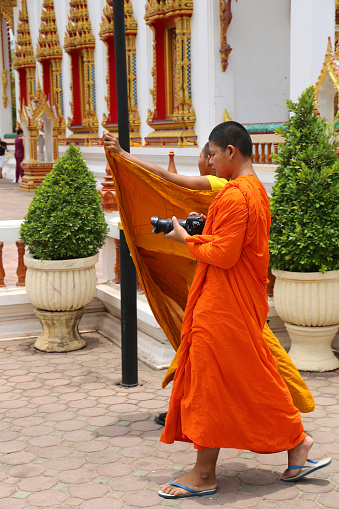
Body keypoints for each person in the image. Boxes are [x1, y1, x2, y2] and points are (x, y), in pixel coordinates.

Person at [105, 123, 331, 498]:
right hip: (238, 302)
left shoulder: (234, 196)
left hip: (223, 304)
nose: (208, 161)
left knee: (209, 385)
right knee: (249, 381)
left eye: (211, 154)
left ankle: (205, 474)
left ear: (230, 151)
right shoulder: (255, 191)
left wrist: (186, 238)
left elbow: (222, 255)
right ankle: (297, 445)